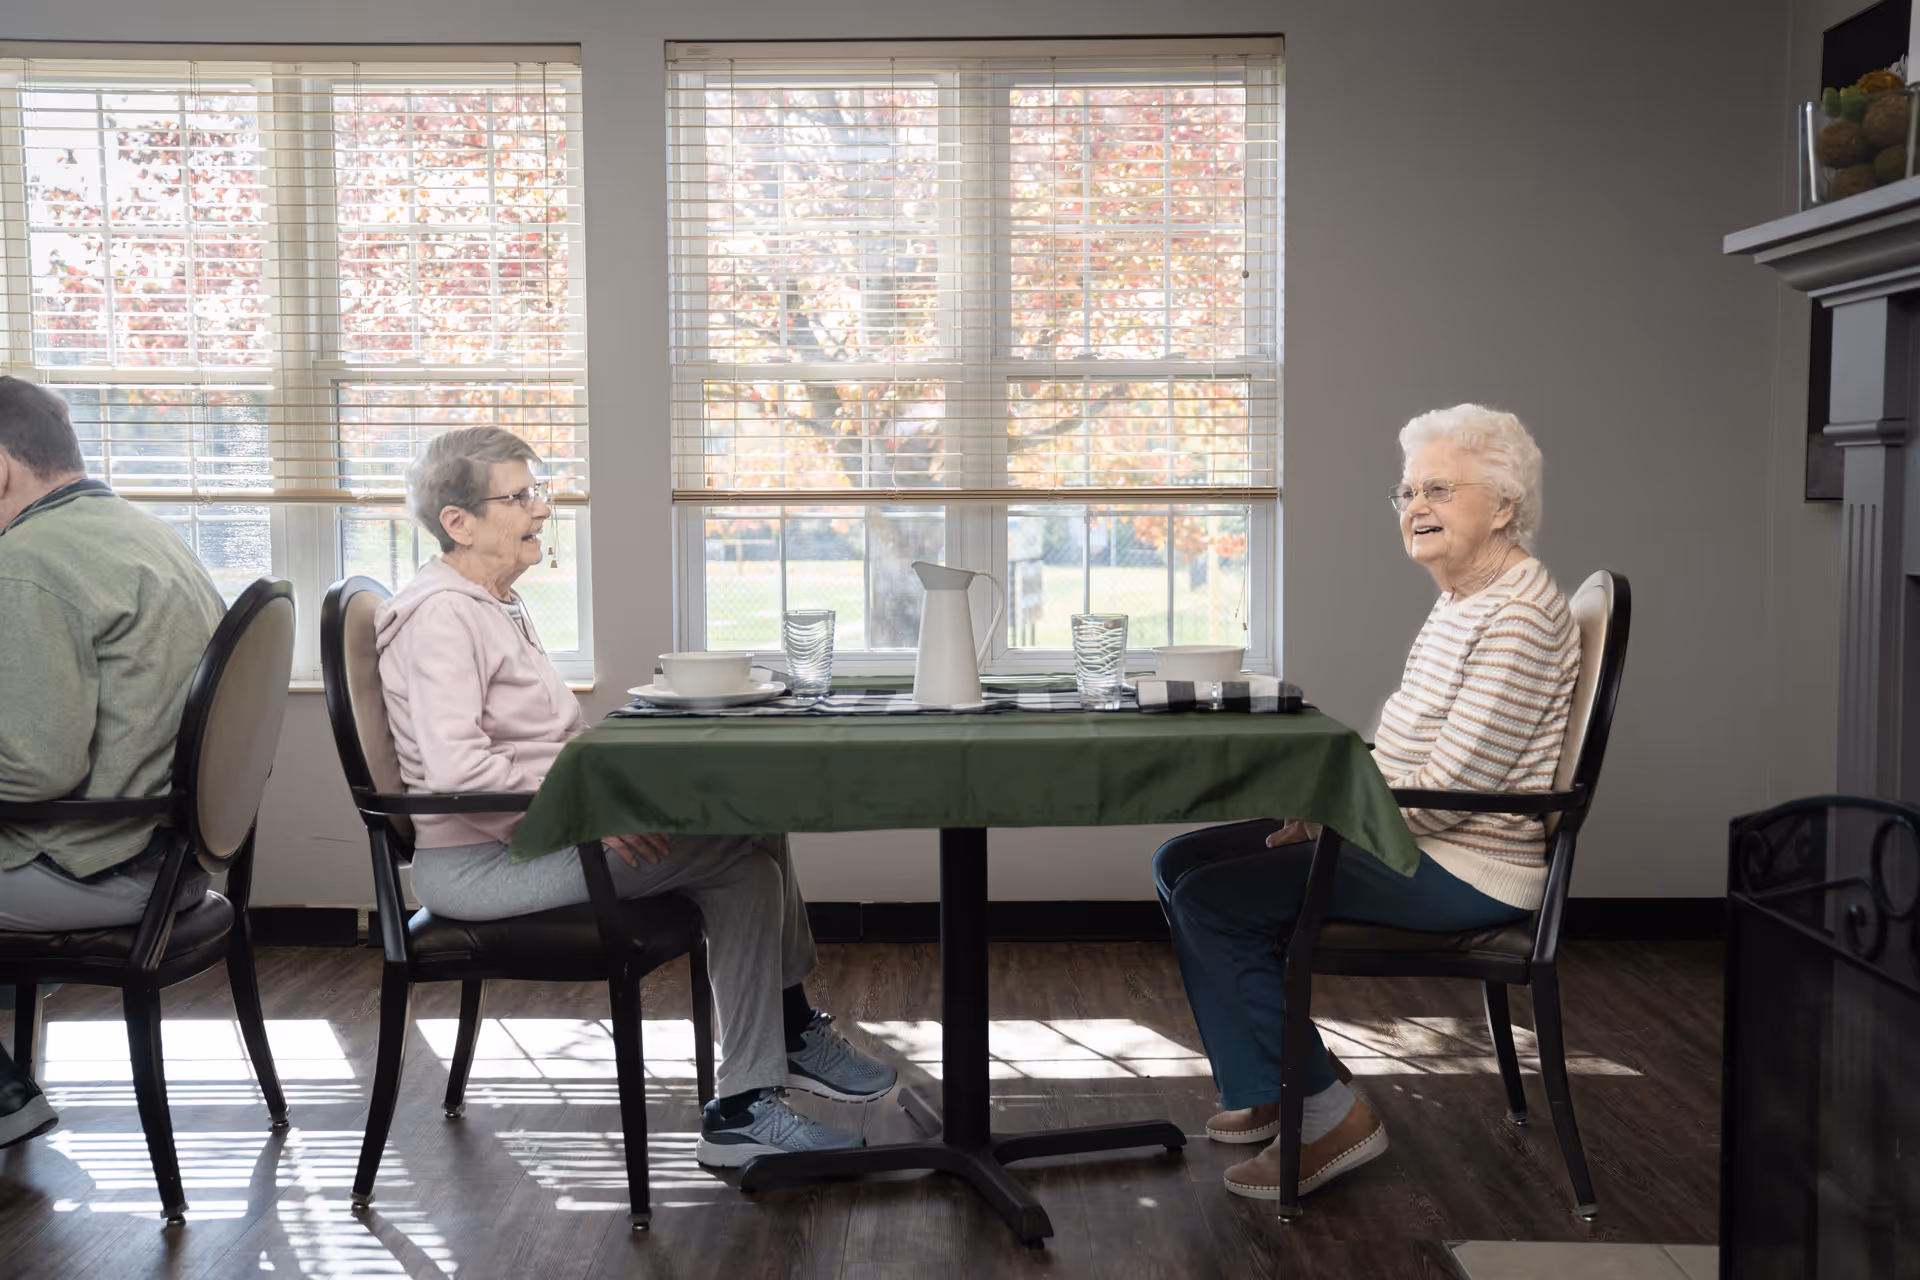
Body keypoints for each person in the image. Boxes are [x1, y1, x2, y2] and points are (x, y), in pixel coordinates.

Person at [375, 426, 896, 1168]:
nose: (541, 510)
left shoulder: (489, 604)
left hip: (530, 841)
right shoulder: (442, 618)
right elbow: (462, 768)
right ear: (458, 522)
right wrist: (590, 813)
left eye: (538, 491)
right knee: (744, 843)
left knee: (752, 850)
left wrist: (613, 798)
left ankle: (762, 1074)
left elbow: (528, 748)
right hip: (483, 866)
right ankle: (773, 1053)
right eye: (518, 497)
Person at [1153, 404, 1580, 1203]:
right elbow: (1412, 761)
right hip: (1417, 837)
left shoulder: (1517, 615)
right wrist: (1324, 812)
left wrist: (1336, 818)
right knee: (1181, 860)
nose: (1416, 506)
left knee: (1215, 899)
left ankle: (1329, 1112)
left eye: (1441, 489)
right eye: (1408, 490)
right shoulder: (1464, 602)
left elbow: (1461, 788)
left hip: (1466, 866)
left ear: (1504, 506)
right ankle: (1274, 1081)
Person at [0, 377, 230, 1147]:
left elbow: (34, 773)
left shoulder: (28, 561)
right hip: (175, 860)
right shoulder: (138, 531)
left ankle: (3, 1100)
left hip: (97, 870)